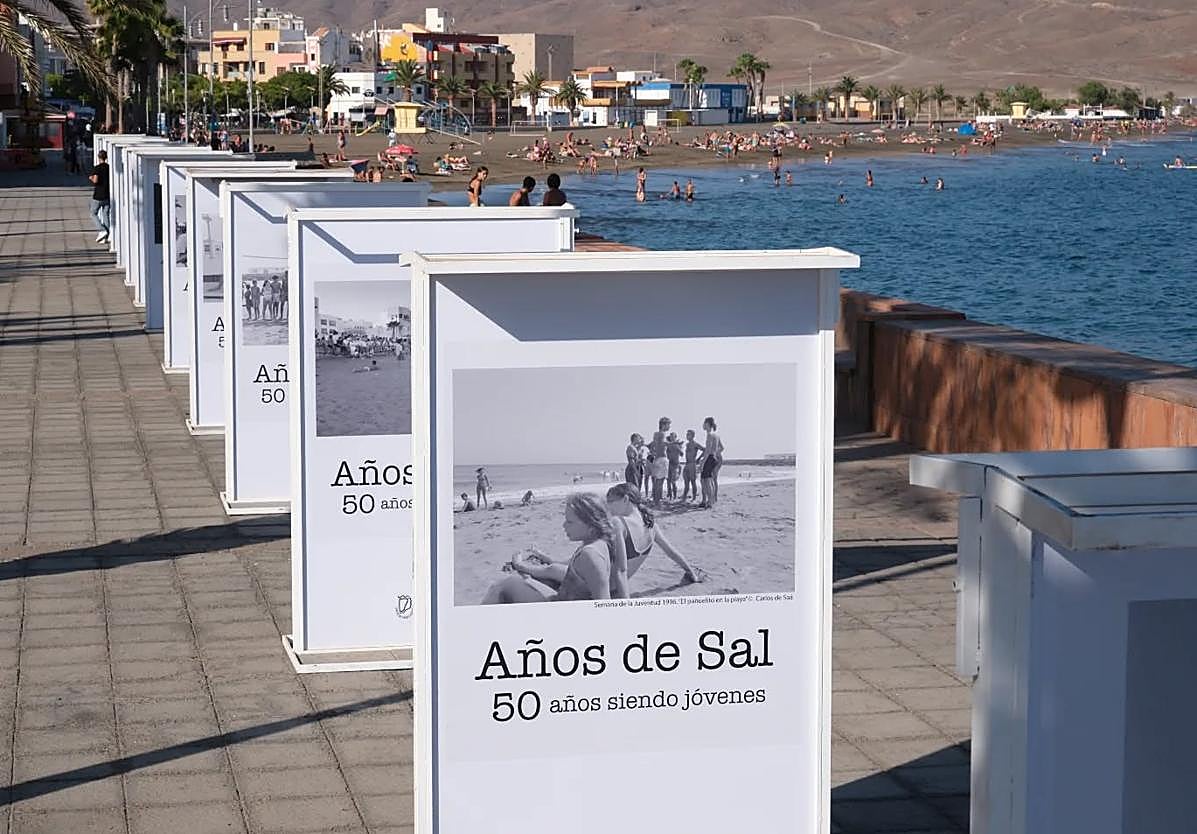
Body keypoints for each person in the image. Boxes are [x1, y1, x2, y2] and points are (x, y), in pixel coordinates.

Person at [481, 494, 614, 603]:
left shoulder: (590, 555)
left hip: (563, 609)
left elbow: (603, 602)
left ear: (591, 526)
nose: (564, 525)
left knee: (500, 587)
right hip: (566, 596)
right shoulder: (599, 544)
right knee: (522, 581)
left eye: (570, 522)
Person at [605, 483, 704, 596]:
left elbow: (620, 570)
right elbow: (671, 552)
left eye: (610, 501)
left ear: (625, 499)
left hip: (598, 587)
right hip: (615, 587)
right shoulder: (651, 526)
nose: (608, 506)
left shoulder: (618, 523)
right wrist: (692, 573)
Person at [700, 416, 724, 509]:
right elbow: (721, 448)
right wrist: (715, 453)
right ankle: (711, 500)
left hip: (709, 458)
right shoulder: (716, 435)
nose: (703, 425)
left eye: (704, 423)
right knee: (708, 480)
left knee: (706, 480)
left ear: (707, 424)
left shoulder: (709, 435)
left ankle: (709, 502)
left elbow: (707, 450)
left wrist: (702, 462)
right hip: (713, 458)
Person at [88, 149, 110, 244]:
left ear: (98, 157)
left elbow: (96, 180)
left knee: (93, 213)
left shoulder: (97, 168)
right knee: (105, 215)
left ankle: (102, 230)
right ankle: (106, 236)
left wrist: (91, 178)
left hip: (98, 194)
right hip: (107, 194)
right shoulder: (108, 167)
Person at [648, 417, 670, 505]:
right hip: (662, 459)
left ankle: (655, 500)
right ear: (663, 425)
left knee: (656, 481)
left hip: (656, 459)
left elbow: (652, 445)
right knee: (660, 482)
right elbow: (663, 442)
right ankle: (657, 502)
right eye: (668, 424)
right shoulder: (662, 433)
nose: (669, 427)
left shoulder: (655, 434)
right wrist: (674, 443)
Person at [682, 429, 704, 502]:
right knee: (686, 481)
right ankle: (684, 497)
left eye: (689, 434)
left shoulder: (695, 444)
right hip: (687, 464)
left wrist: (699, 458)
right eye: (687, 434)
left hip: (692, 464)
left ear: (693, 436)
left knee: (693, 481)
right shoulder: (687, 444)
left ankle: (694, 497)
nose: (687, 436)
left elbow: (704, 449)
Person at [665, 432, 683, 500]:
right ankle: (670, 495)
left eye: (673, 436)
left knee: (673, 481)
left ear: (675, 437)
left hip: (675, 464)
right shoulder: (668, 445)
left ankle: (675, 496)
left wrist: (679, 448)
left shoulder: (677, 445)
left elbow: (682, 454)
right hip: (669, 464)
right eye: (671, 436)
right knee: (668, 481)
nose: (672, 437)